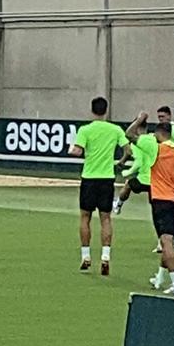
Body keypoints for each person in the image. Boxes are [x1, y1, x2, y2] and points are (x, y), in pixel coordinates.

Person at [69, 96, 129, 276]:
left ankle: (86, 255)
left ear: (92, 110)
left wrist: (72, 150)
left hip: (89, 177)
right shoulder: (115, 129)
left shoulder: (85, 130)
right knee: (106, 219)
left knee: (85, 217)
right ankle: (105, 256)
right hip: (106, 178)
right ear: (106, 110)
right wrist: (121, 162)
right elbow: (128, 149)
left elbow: (78, 151)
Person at [145, 123, 174, 294]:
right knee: (169, 242)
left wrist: (139, 121)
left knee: (166, 241)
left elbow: (131, 135)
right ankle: (160, 277)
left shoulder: (157, 149)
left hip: (161, 199)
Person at [116, 111, 156, 214]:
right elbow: (130, 152)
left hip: (144, 179)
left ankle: (118, 204)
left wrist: (127, 172)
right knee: (156, 204)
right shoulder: (154, 139)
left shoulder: (138, 142)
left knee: (128, 184)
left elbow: (138, 162)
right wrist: (123, 160)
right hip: (157, 180)